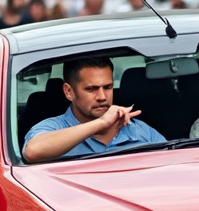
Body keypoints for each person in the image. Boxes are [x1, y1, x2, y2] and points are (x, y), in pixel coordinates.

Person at [22, 56, 165, 162]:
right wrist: (101, 123)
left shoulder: (139, 130)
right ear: (69, 92)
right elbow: (32, 151)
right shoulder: (54, 127)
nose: (102, 96)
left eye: (108, 87)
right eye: (91, 89)